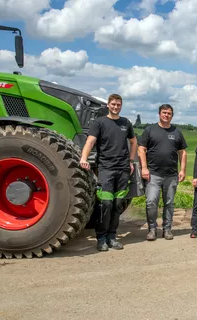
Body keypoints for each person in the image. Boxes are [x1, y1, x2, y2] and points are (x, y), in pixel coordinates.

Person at [80, 93, 137, 251]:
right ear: (108, 105)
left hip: (123, 169)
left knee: (118, 204)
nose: (116, 107)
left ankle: (112, 236)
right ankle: (101, 238)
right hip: (106, 168)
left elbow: (133, 142)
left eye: (118, 104)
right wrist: (84, 157)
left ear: (121, 106)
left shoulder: (126, 123)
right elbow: (91, 140)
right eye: (113, 104)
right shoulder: (99, 122)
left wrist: (131, 161)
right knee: (106, 203)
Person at [138, 104, 187, 241]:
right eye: (164, 113)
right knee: (151, 201)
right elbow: (141, 149)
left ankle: (167, 229)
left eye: (169, 113)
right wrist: (144, 168)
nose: (166, 115)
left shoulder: (176, 132)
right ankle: (152, 229)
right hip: (153, 173)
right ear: (159, 114)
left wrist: (182, 170)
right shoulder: (150, 130)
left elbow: (182, 152)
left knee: (169, 203)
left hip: (171, 174)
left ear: (172, 115)